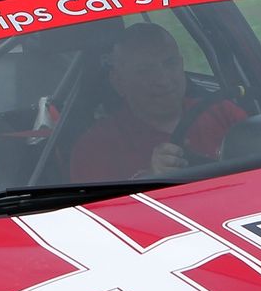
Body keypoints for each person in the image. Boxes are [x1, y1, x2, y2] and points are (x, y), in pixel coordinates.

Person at [70, 22, 246, 182]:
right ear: (119, 82)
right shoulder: (96, 148)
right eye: (145, 70)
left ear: (181, 64)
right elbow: (99, 212)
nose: (163, 79)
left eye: (170, 63)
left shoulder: (224, 113)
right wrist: (151, 179)